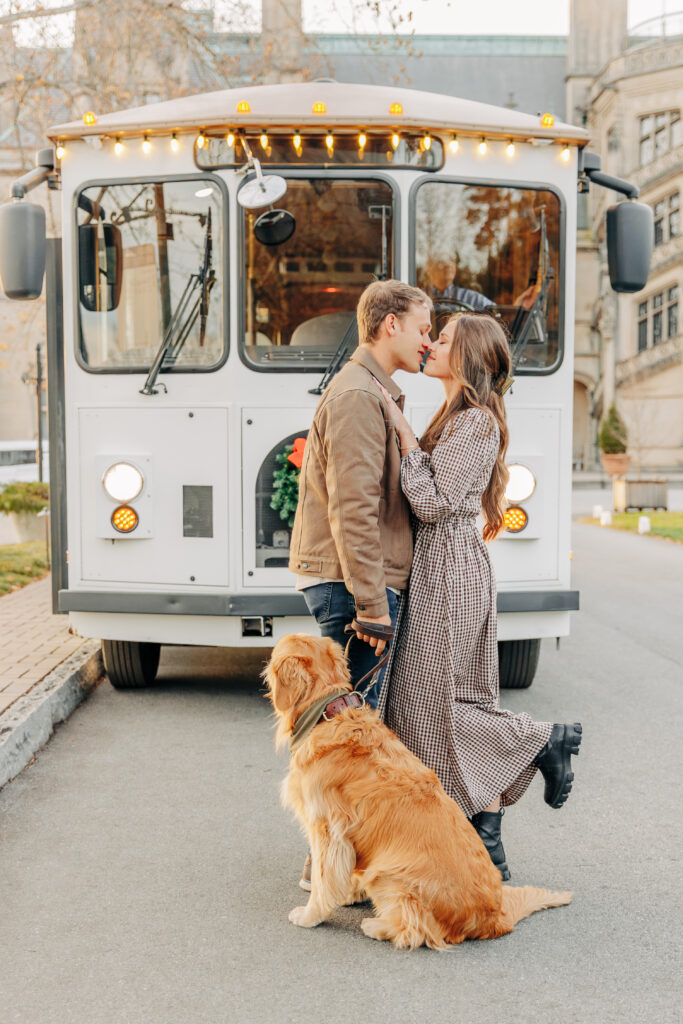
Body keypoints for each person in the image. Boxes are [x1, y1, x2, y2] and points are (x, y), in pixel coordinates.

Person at [375, 312, 582, 881]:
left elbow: (434, 503)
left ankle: (543, 740)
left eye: (441, 340)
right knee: (447, 702)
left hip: (450, 569)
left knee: (426, 705)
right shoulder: (455, 414)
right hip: (442, 567)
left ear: (465, 355)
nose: (429, 344)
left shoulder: (475, 423)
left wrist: (404, 437)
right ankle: (486, 842)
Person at [289, 278, 433, 890]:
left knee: (350, 739)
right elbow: (354, 510)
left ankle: (331, 867)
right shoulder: (356, 397)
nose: (429, 339)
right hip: (356, 590)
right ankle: (326, 872)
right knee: (350, 745)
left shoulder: (374, 391)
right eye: (424, 326)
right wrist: (373, 606)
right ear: (389, 324)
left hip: (359, 585)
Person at [422, 257, 494, 313]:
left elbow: (496, 311)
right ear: (429, 270)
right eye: (441, 261)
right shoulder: (419, 297)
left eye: (451, 260)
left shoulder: (471, 297)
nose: (448, 265)